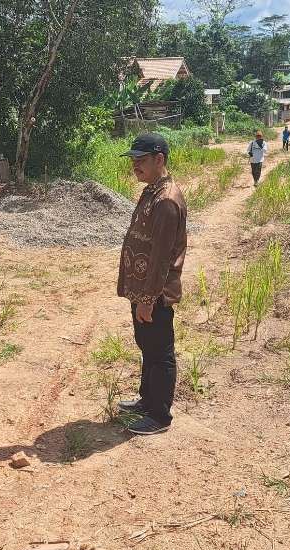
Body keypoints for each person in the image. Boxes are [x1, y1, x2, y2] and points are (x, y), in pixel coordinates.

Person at [116, 133, 188, 436]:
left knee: (160, 352)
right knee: (147, 345)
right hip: (143, 289)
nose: (135, 165)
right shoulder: (152, 192)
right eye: (133, 160)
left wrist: (147, 299)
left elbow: (160, 258)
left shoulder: (166, 200)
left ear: (159, 159)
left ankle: (159, 415)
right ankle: (147, 401)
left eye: (141, 160)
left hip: (155, 293)